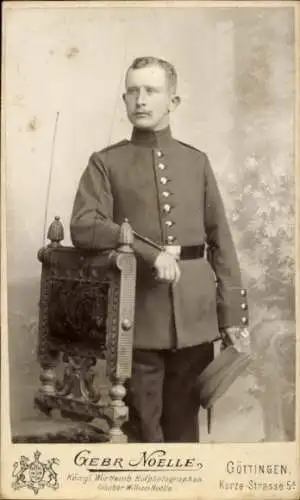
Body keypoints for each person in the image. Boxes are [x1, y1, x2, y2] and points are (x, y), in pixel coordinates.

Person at [70, 56, 248, 443]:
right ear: (124, 99)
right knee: (144, 434)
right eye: (133, 91)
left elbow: (222, 242)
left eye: (151, 90)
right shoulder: (105, 162)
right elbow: (85, 226)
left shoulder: (196, 161)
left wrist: (231, 314)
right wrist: (151, 253)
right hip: (136, 318)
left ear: (174, 101)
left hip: (196, 318)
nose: (141, 100)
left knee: (185, 434)